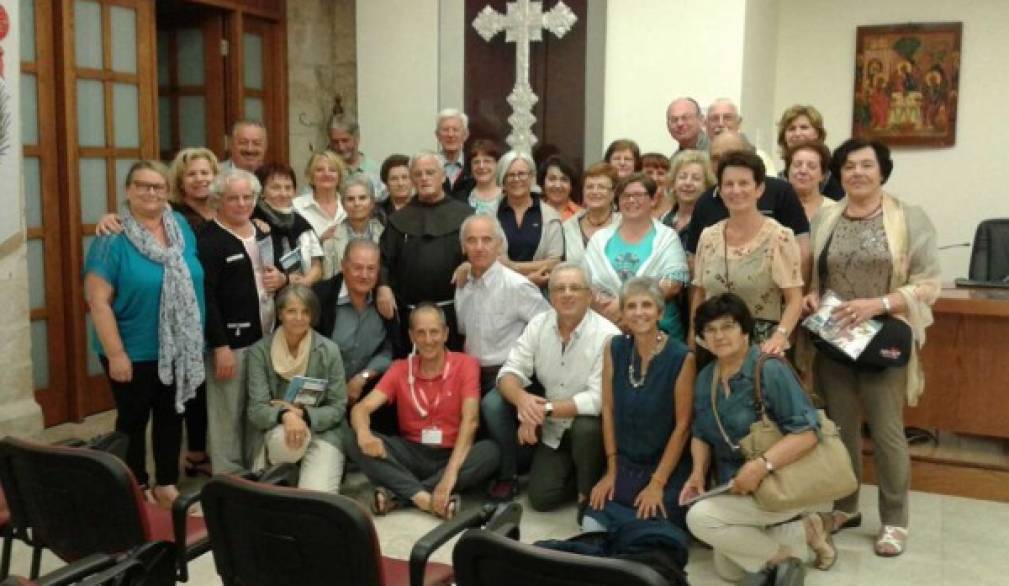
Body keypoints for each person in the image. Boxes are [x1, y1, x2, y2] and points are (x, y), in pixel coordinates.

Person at [799, 139, 940, 557]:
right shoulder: (826, 216)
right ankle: (845, 507)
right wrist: (811, 297)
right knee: (839, 430)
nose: (856, 173)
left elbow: (928, 283)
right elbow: (817, 277)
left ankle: (895, 520)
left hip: (884, 338)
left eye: (866, 165)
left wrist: (877, 305)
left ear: (882, 171)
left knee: (886, 431)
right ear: (839, 174)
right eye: (848, 166)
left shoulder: (908, 218)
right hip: (836, 338)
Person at [681, 293, 835, 585]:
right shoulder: (706, 378)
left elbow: (807, 433)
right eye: (710, 330)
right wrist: (697, 474)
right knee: (729, 570)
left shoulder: (769, 369)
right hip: (737, 486)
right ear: (701, 337)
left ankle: (784, 556)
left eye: (727, 326)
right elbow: (701, 433)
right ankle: (806, 531)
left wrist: (760, 466)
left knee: (700, 519)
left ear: (744, 330)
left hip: (781, 481)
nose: (719, 336)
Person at [84, 160, 205, 508]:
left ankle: (166, 483)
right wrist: (117, 354)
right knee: (133, 421)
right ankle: (134, 486)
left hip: (177, 345)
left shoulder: (180, 225)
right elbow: (98, 301)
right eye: (143, 185)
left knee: (171, 415)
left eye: (158, 186)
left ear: (168, 193)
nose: (151, 192)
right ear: (128, 190)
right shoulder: (112, 237)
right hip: (131, 348)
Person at [344, 304, 500, 519]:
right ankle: (427, 500)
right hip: (411, 452)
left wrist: (449, 477)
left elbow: (470, 421)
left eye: (434, 332)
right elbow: (361, 408)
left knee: (490, 452)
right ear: (411, 336)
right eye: (421, 333)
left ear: (445, 334)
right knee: (350, 437)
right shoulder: (400, 368)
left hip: (452, 452)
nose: (428, 340)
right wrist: (364, 434)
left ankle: (399, 494)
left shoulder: (466, 364)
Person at [486, 263, 620, 509]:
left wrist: (541, 410)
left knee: (587, 427)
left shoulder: (608, 335)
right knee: (541, 499)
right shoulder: (539, 324)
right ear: (550, 295)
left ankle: (586, 492)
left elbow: (597, 399)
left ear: (589, 295)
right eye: (559, 288)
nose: (567, 294)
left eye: (575, 288)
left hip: (590, 429)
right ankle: (575, 475)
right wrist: (523, 402)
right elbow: (509, 372)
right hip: (553, 430)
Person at [586, 277, 695, 532]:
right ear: (622, 313)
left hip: (665, 469)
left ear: (660, 312)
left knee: (647, 530)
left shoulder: (681, 357)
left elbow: (683, 427)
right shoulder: (614, 348)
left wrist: (657, 483)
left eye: (646, 305)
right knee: (592, 525)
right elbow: (609, 411)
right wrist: (611, 470)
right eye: (631, 306)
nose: (638, 313)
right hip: (625, 465)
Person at [198, 168, 289, 474]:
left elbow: (272, 271)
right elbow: (206, 297)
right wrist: (220, 345)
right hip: (230, 343)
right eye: (232, 198)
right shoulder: (208, 240)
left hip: (265, 336)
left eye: (247, 197)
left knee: (257, 407)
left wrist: (281, 278)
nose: (241, 203)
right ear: (218, 201)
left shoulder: (262, 231)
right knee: (227, 413)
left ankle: (255, 469)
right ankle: (228, 477)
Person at [690, 150, 803, 357]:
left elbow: (794, 299)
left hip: (761, 348)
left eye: (744, 183)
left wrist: (780, 336)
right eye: (729, 184)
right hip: (713, 345)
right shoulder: (708, 237)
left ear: (759, 189)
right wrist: (693, 335)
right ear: (720, 191)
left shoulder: (780, 237)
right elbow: (699, 292)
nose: (736, 190)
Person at [245, 285, 348, 493]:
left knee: (316, 499)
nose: (298, 318)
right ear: (280, 313)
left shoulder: (329, 350)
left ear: (313, 315)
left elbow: (338, 406)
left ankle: (309, 472)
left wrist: (304, 416)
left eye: (305, 311)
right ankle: (286, 473)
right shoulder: (259, 352)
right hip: (276, 433)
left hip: (322, 433)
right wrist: (285, 416)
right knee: (289, 446)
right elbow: (256, 410)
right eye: (291, 311)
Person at [377, 151, 473, 352]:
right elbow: (383, 260)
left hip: (454, 315)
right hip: (410, 316)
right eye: (418, 174)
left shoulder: (464, 214)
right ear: (412, 179)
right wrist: (383, 287)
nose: (424, 178)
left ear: (443, 176)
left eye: (430, 172)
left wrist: (470, 264)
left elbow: (483, 252)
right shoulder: (399, 220)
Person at [685, 131, 811, 280]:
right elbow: (695, 261)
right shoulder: (704, 202)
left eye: (730, 155)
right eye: (715, 158)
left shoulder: (780, 192)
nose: (723, 163)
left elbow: (802, 251)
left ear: (750, 154)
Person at [583, 173, 689, 339]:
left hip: (659, 331)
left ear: (653, 200)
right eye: (626, 196)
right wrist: (612, 311)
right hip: (609, 326)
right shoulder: (599, 239)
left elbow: (673, 283)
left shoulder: (667, 237)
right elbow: (586, 283)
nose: (631, 200)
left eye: (638, 195)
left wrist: (626, 306)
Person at [455, 215, 550, 395]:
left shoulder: (517, 286)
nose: (479, 247)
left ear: (499, 244)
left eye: (487, 240)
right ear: (462, 247)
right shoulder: (463, 284)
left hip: (507, 372)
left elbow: (549, 327)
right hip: (470, 373)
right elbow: (463, 330)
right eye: (471, 241)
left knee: (492, 407)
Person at [314, 239, 399, 435]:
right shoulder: (321, 297)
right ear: (343, 266)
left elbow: (390, 349)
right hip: (324, 393)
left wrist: (363, 377)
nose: (364, 275)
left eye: (371, 269)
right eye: (357, 268)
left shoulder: (386, 301)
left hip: (369, 393)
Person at [495, 150, 564, 288]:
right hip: (500, 290)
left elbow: (554, 262)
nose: (516, 179)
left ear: (532, 177)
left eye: (521, 174)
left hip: (540, 293)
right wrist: (528, 276)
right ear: (502, 179)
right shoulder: (490, 215)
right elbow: (492, 261)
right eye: (510, 175)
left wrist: (513, 266)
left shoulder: (551, 216)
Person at [252, 163, 323, 286]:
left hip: (301, 294)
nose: (283, 193)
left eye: (288, 187)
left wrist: (306, 281)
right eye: (276, 188)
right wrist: (286, 280)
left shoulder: (301, 223)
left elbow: (317, 264)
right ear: (261, 192)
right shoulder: (253, 223)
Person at [320, 176, 384, 279]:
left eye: (362, 198)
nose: (357, 203)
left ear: (372, 203)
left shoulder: (386, 235)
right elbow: (328, 281)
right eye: (350, 199)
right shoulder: (330, 240)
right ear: (343, 204)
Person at [776, 105, 843, 200]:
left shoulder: (835, 175)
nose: (797, 134)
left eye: (804, 127)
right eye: (791, 129)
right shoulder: (777, 180)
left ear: (818, 133)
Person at [562, 162, 620, 264]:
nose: (594, 192)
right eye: (589, 187)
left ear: (613, 193)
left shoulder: (623, 224)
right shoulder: (568, 227)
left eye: (601, 187)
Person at [705, 98, 778, 175]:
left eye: (727, 118)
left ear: (739, 123)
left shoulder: (759, 157)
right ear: (705, 124)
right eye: (714, 118)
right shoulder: (699, 159)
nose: (720, 123)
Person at [292, 150, 347, 246]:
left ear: (339, 176)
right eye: (319, 170)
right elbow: (291, 245)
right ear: (311, 176)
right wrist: (319, 241)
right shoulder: (296, 206)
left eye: (332, 170)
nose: (326, 174)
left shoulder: (351, 204)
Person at [663, 150, 716, 245]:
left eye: (696, 178)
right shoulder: (664, 220)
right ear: (673, 182)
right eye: (682, 177)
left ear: (707, 185)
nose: (688, 183)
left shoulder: (711, 224)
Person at [328, 114, 385, 200]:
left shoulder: (376, 171)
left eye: (345, 140)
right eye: (335, 142)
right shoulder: (325, 171)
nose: (341, 147)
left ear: (357, 138)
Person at [785, 141, 837, 222]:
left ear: (823, 175)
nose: (803, 171)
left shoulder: (835, 211)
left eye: (811, 166)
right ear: (788, 171)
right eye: (797, 164)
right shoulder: (774, 207)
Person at [436, 108, 475, 199]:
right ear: (437, 135)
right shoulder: (430, 166)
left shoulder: (475, 166)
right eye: (445, 130)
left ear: (465, 134)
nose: (450, 134)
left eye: (455, 130)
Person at [465, 139, 504, 215]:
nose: (481, 166)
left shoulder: (508, 197)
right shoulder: (462, 197)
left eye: (487, 161)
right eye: (476, 162)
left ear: (497, 164)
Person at [539, 155, 582, 220]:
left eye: (564, 179)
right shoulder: (534, 213)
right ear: (543, 183)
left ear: (571, 185)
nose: (558, 185)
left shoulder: (581, 215)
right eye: (552, 179)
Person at [377, 154, 413, 223]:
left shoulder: (425, 208)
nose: (400, 183)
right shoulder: (377, 212)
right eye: (394, 179)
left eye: (405, 177)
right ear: (386, 184)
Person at [642, 152, 671, 221]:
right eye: (649, 173)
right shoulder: (629, 204)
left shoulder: (677, 207)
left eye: (660, 173)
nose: (655, 178)